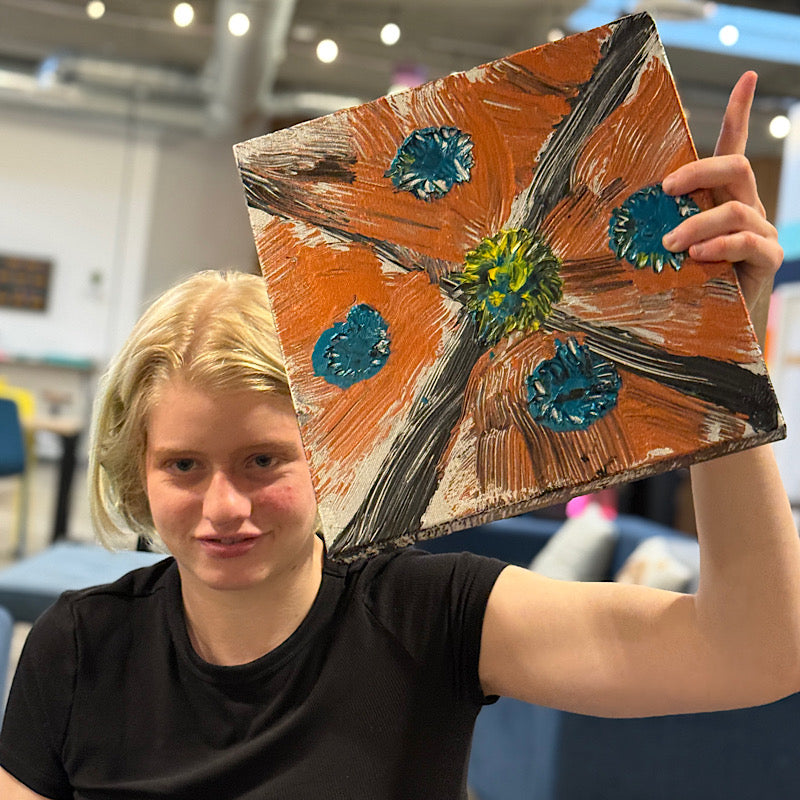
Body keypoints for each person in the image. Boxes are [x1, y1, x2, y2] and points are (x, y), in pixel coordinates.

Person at [0, 71, 797, 799]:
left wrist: (725, 354)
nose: (225, 507)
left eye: (263, 460)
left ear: (328, 450)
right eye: (182, 465)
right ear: (136, 470)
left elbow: (754, 650)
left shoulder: (431, 617)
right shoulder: (79, 647)